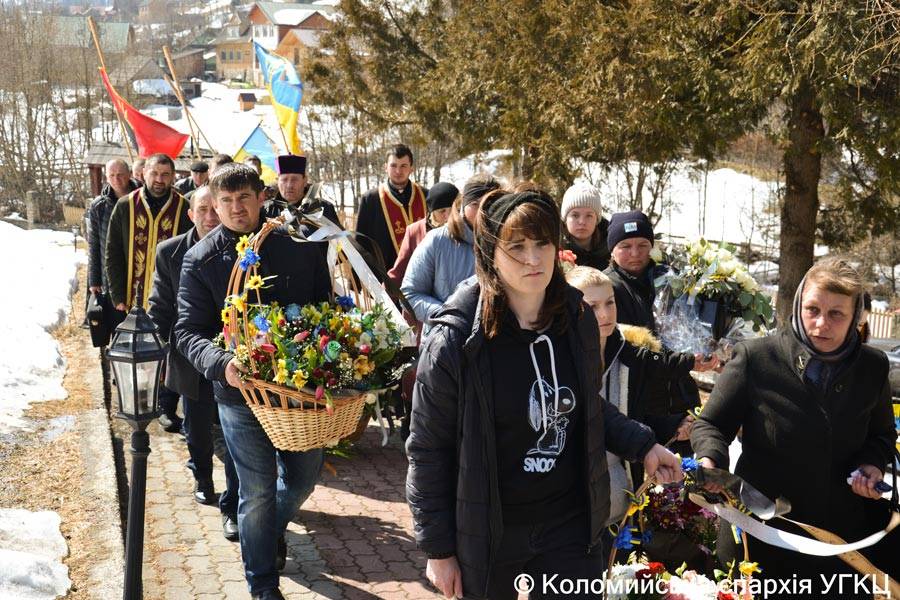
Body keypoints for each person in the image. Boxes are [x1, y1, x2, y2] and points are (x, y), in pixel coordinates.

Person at [406, 189, 683, 600]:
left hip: (567, 525)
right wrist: (439, 549)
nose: (533, 259)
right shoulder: (455, 339)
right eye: (516, 247)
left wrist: (643, 445)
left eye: (542, 244)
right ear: (490, 252)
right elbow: (428, 447)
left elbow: (583, 405)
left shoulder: (576, 319)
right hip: (490, 529)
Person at [691, 257, 896, 598]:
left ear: (857, 317)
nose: (821, 324)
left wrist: (871, 465)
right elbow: (711, 424)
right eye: (812, 309)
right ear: (798, 303)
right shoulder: (756, 357)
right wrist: (710, 462)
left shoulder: (873, 367)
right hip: (760, 536)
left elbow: (882, 435)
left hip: (838, 543)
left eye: (836, 314)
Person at [174, 163, 331, 600]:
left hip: (298, 392)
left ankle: (265, 531)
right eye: (224, 201)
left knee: (301, 480)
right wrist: (220, 362)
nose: (235, 208)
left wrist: (329, 352)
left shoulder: (298, 247)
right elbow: (187, 331)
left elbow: (325, 307)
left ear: (261, 197)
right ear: (213, 204)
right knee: (256, 491)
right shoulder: (201, 260)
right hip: (239, 395)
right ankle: (262, 585)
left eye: (243, 198)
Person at [565, 266, 716, 525]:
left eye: (610, 303)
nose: (604, 314)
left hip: (620, 484)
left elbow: (645, 399)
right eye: (592, 306)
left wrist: (674, 425)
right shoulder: (561, 358)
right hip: (573, 490)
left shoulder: (627, 349)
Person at [147, 186, 239, 540]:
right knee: (198, 429)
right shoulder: (170, 252)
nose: (210, 217)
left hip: (231, 359)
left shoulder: (235, 246)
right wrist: (161, 346)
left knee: (233, 435)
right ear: (192, 213)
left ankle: (234, 501)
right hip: (190, 355)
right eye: (203, 209)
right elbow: (161, 304)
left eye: (213, 209)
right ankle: (202, 475)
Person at [603, 210, 716, 441]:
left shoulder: (670, 279)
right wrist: (685, 361)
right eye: (625, 246)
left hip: (682, 395)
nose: (635, 253)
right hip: (640, 403)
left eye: (642, 245)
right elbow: (629, 351)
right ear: (612, 249)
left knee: (689, 472)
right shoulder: (607, 290)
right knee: (656, 473)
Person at [105, 152, 191, 431]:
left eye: (166, 175)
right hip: (132, 297)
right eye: (155, 174)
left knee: (170, 352)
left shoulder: (183, 208)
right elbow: (113, 252)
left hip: (171, 297)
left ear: (173, 177)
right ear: (143, 174)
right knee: (135, 354)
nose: (160, 180)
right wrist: (117, 295)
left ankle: (166, 407)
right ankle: (138, 401)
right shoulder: (125, 206)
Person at [401, 175, 501, 328]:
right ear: (462, 204)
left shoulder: (507, 243)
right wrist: (450, 317)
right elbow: (410, 294)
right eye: (475, 204)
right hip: (446, 342)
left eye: (490, 204)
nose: (483, 211)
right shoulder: (437, 240)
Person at [355, 143, 428, 272]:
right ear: (385, 168)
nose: (398, 171)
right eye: (393, 166)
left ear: (412, 168)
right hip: (384, 278)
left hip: (423, 274)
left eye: (403, 166)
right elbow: (361, 244)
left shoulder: (426, 196)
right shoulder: (371, 199)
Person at [387, 181, 458, 287]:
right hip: (423, 295)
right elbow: (399, 271)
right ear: (432, 212)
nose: (448, 216)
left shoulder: (464, 229)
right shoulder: (415, 231)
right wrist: (383, 297)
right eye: (442, 211)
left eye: (454, 210)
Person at [88, 159, 138, 299]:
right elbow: (94, 244)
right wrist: (94, 280)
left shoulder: (142, 200)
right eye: (112, 175)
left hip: (138, 270)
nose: (117, 179)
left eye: (120, 174)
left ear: (129, 174)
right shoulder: (99, 206)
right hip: (110, 273)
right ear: (106, 177)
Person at [263, 154, 341, 227]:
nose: (289, 185)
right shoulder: (266, 210)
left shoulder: (323, 208)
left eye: (294, 179)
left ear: (304, 181)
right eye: (284, 179)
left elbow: (338, 239)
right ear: (277, 181)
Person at [560, 183, 611, 270]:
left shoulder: (612, 251)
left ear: (597, 219)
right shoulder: (554, 252)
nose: (582, 222)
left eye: (589, 216)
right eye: (575, 215)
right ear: (565, 219)